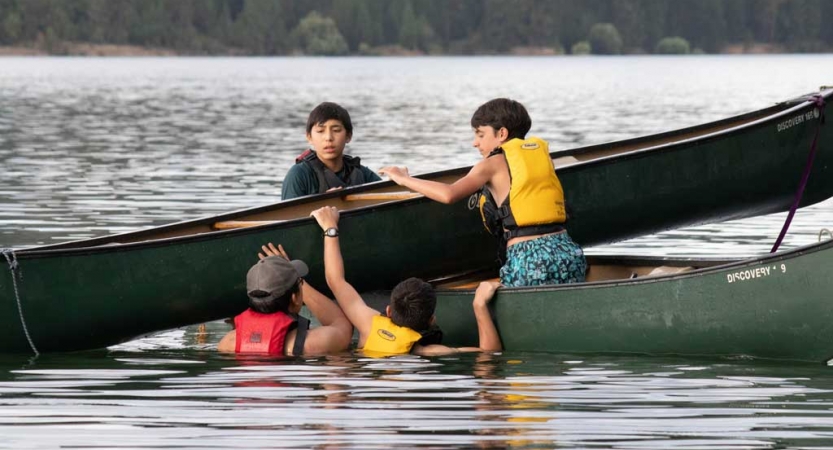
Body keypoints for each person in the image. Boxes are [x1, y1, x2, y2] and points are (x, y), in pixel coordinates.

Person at [379, 98, 586, 287]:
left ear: (502, 134)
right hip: (569, 252)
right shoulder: (542, 157)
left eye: (480, 134)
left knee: (489, 300)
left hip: (529, 259)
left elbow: (448, 194)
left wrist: (404, 179)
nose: (475, 142)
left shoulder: (491, 164)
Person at [310, 206, 502, 356]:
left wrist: (330, 229)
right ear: (431, 320)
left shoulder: (368, 325)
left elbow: (335, 280)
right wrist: (480, 306)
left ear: (388, 311)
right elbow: (490, 353)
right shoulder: (427, 351)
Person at [218, 243, 353, 356]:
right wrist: (296, 277)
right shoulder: (314, 343)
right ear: (294, 298)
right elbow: (343, 326)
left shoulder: (227, 343)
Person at [281, 102, 381, 200]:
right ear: (309, 137)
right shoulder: (299, 175)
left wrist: (397, 180)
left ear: (348, 136)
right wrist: (327, 202)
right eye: (320, 131)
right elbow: (288, 215)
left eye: (336, 130)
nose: (328, 138)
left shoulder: (362, 173)